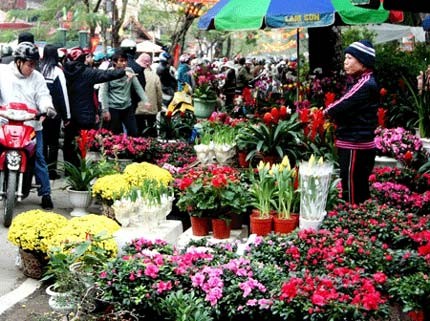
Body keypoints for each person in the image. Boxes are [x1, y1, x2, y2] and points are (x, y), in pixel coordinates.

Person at [0, 42, 57, 209]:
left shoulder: (37, 77)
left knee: (39, 157)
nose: (32, 68)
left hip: (31, 125)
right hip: (5, 123)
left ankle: (45, 193)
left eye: (34, 64)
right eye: (29, 64)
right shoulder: (3, 72)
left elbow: (43, 96)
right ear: (19, 61)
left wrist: (47, 108)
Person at [324, 40, 379, 204]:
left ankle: (353, 220)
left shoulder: (365, 83)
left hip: (355, 143)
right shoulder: (360, 80)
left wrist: (325, 112)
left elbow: (343, 104)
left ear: (362, 62)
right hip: (355, 141)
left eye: (349, 58)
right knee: (358, 186)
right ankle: (360, 219)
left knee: (352, 188)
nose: (345, 62)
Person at [63, 47, 126, 167]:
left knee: (69, 142)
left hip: (69, 114)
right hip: (85, 114)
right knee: (86, 142)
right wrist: (122, 72)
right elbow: (105, 75)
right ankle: (83, 169)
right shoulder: (87, 72)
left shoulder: (64, 72)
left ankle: (69, 168)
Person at [99, 49, 150, 137]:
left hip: (127, 106)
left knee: (133, 132)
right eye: (121, 61)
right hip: (113, 107)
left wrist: (145, 100)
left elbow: (138, 87)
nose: (124, 63)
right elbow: (103, 92)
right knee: (115, 134)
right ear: (115, 62)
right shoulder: (108, 73)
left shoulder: (130, 71)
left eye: (125, 61)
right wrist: (105, 110)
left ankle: (131, 149)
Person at [40, 44, 71, 180]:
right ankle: (51, 171)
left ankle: (41, 170)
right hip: (54, 113)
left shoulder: (38, 69)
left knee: (42, 142)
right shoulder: (57, 71)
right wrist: (67, 116)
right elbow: (63, 95)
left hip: (39, 112)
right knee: (53, 142)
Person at [135, 53, 162, 137]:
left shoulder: (135, 74)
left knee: (139, 132)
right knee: (152, 131)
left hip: (137, 109)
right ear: (149, 63)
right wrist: (159, 107)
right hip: (151, 109)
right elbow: (159, 94)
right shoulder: (155, 76)